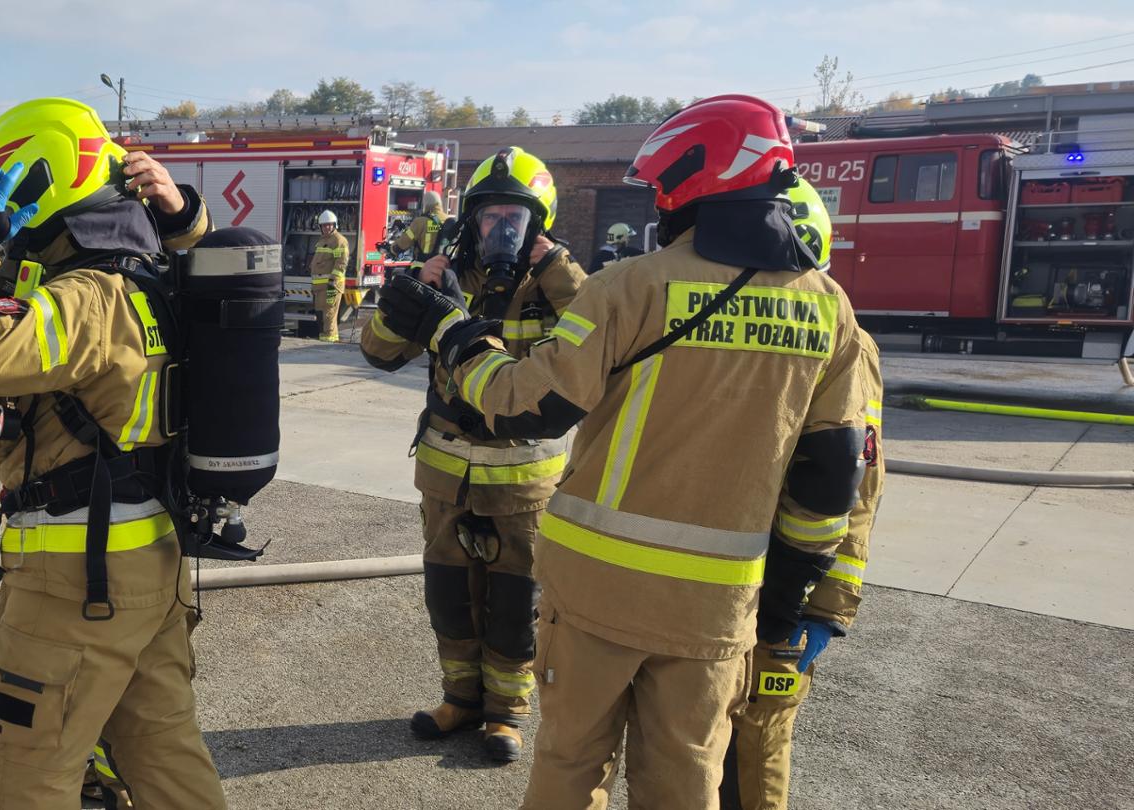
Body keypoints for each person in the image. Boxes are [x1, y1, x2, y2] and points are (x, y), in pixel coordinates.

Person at [376, 94, 869, 809]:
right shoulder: (828, 306)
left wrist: (453, 331)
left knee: (572, 765)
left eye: (665, 186)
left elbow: (528, 404)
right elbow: (832, 480)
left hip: (598, 593)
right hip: (717, 608)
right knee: (685, 778)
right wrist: (785, 607)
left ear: (692, 182)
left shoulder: (629, 287)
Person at [0, 97, 227, 810]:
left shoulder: (86, 296)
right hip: (148, 564)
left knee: (28, 772)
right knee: (163, 750)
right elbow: (41, 382)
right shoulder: (136, 277)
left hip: (73, 581)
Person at [360, 146, 586, 762]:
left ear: (539, 221)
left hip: (523, 481)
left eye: (516, 215)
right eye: (491, 215)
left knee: (516, 602)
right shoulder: (449, 280)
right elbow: (378, 353)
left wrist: (559, 273)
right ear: (471, 219)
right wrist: (411, 295)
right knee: (449, 595)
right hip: (444, 474)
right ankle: (459, 699)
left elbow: (602, 344)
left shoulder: (563, 286)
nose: (502, 229)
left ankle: (506, 715)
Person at [721, 176, 887, 810]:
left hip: (794, 590)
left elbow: (858, 486)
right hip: (725, 580)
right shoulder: (736, 337)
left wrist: (827, 609)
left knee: (758, 738)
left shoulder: (848, 346)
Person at [311, 209, 350, 341]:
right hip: (320, 286)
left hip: (331, 285)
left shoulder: (339, 240)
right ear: (320, 227)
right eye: (324, 225)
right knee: (321, 314)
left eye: (329, 225)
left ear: (334, 225)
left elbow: (341, 263)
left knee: (329, 314)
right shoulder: (322, 241)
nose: (327, 227)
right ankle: (324, 339)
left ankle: (330, 341)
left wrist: (333, 280)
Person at [392, 189, 449, 261]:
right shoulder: (449, 220)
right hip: (444, 266)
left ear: (425, 204)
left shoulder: (421, 221)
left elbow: (405, 241)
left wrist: (393, 248)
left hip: (424, 265)